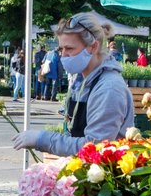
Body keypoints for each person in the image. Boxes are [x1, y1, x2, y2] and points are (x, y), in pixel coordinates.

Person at [13, 12, 134, 156]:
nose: (63, 55)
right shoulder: (82, 80)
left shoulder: (108, 88)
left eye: (69, 48)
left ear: (93, 47)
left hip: (106, 174)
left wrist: (43, 139)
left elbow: (94, 148)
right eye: (61, 49)